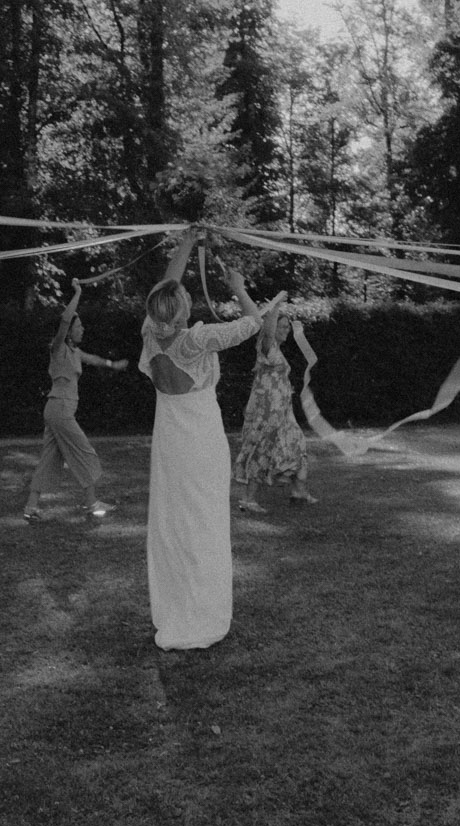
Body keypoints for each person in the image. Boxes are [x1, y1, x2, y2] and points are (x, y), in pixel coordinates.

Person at [139, 232, 283, 650]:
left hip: (169, 438)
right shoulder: (196, 340)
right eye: (184, 296)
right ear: (181, 310)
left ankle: (176, 605)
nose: (186, 294)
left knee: (174, 521)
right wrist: (238, 287)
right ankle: (201, 611)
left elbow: (165, 285)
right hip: (200, 436)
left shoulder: (150, 333)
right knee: (203, 521)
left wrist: (187, 242)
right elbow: (253, 324)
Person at [24, 279, 130, 522]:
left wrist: (113, 364)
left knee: (49, 459)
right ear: (69, 330)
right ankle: (91, 503)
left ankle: (30, 508)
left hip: (57, 410)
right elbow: (64, 320)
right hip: (60, 409)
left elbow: (93, 359)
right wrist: (78, 293)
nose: (82, 330)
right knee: (84, 451)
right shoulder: (58, 348)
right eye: (79, 326)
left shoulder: (75, 352)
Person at [233, 301, 317, 511]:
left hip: (281, 411)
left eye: (288, 326)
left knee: (296, 442)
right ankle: (248, 499)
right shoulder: (266, 346)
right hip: (267, 412)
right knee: (262, 448)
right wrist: (276, 307)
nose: (286, 330)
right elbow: (268, 333)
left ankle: (299, 492)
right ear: (272, 327)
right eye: (282, 326)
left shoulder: (277, 350)